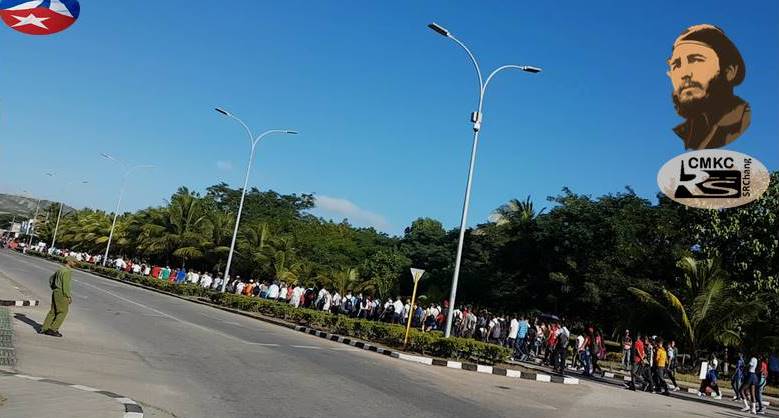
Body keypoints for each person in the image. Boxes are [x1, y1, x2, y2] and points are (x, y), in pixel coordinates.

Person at [668, 24, 750, 149]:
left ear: (729, 71)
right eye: (676, 65)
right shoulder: (688, 133)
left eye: (695, 60)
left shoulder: (741, 121)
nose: (684, 73)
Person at [41, 257, 77, 337]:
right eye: (74, 262)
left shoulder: (60, 270)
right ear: (69, 262)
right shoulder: (67, 271)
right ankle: (53, 329)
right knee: (63, 312)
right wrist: (68, 296)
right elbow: (66, 285)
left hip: (56, 291)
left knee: (53, 311)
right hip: (62, 293)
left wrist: (54, 288)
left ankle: (44, 328)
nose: (75, 264)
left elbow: (51, 279)